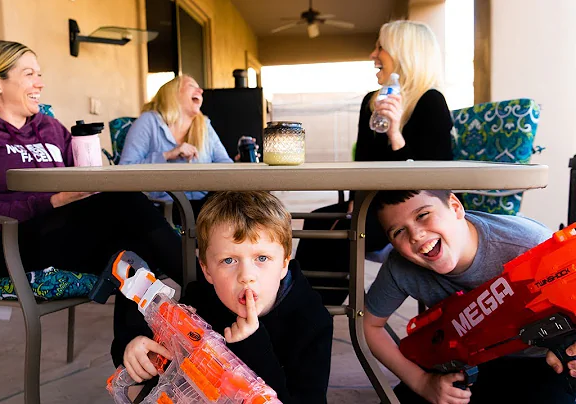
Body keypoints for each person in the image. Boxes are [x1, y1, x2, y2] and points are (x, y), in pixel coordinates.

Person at [0, 40, 183, 318]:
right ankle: (208, 295)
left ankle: (130, 350)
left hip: (66, 233)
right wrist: (52, 201)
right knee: (127, 209)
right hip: (5, 246)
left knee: (131, 251)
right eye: (29, 74)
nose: (40, 83)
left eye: (39, 74)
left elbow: (87, 183)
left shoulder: (50, 127)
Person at [112, 191, 333, 403]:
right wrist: (135, 348)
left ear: (284, 263)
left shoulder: (312, 321)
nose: (246, 276)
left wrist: (253, 344)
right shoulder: (201, 299)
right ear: (207, 270)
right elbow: (165, 365)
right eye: (229, 260)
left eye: (262, 258)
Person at [364, 190, 576, 404]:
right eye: (398, 231)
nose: (416, 235)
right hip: (460, 358)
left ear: (455, 207)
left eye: (423, 215)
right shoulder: (400, 266)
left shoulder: (530, 244)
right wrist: (422, 382)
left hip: (541, 360)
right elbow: (368, 325)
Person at [295, 20, 454, 305]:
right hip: (371, 204)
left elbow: (435, 181)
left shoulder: (431, 102)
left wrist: (396, 136)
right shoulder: (372, 102)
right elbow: (363, 165)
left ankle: (314, 313)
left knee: (336, 233)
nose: (372, 54)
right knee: (316, 221)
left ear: (403, 54)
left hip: (412, 212)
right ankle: (299, 308)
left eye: (380, 47)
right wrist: (358, 198)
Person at [119, 75, 233, 221]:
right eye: (191, 85)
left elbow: (225, 164)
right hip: (163, 208)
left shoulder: (204, 125)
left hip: (206, 206)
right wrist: (167, 155)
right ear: (173, 93)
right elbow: (125, 171)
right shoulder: (149, 121)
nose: (201, 90)